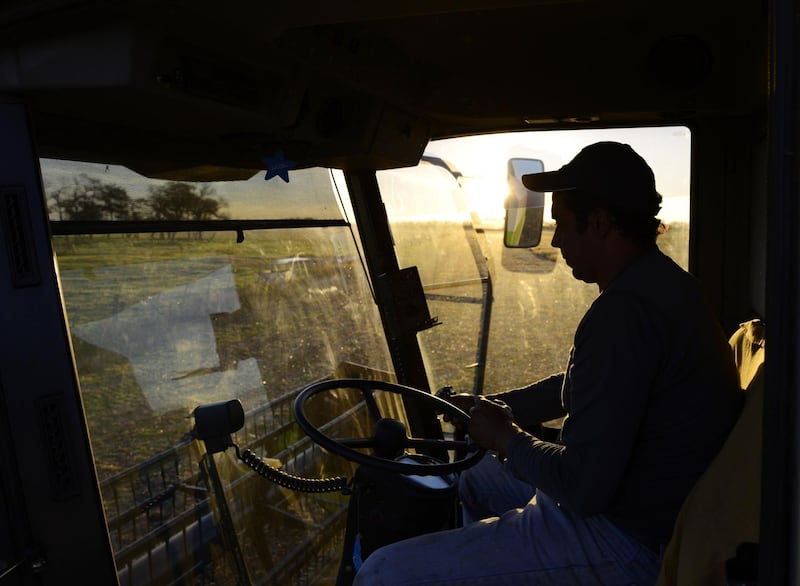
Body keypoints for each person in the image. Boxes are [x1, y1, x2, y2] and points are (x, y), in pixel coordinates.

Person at [352, 142, 744, 585]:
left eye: (562, 223)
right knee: (476, 475)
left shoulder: (626, 312)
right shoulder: (665, 286)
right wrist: (495, 405)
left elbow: (582, 487)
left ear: (598, 223)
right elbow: (590, 386)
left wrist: (508, 437)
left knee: (383, 572)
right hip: (640, 507)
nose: (555, 239)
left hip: (628, 540)